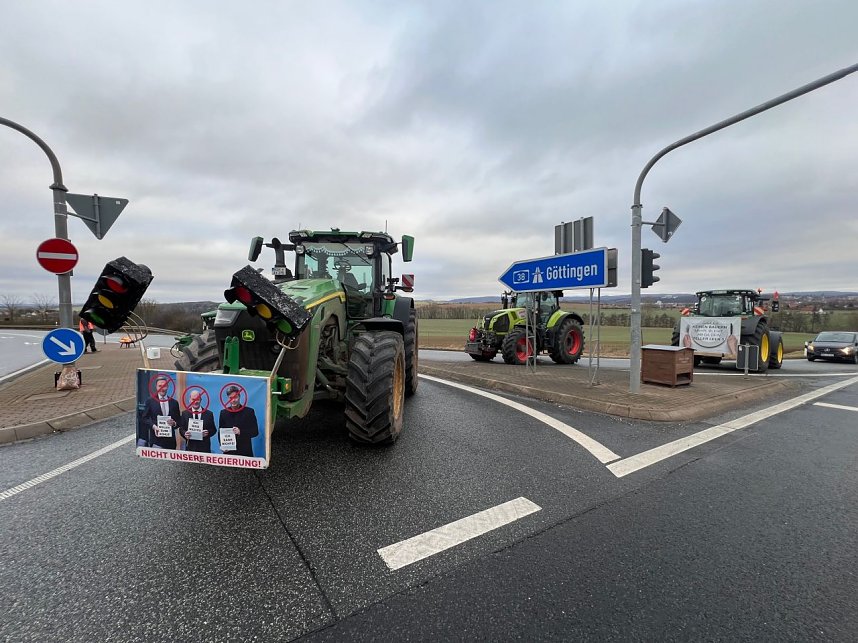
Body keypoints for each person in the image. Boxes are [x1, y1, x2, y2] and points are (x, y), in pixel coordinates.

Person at [140, 375, 182, 449]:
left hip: (171, 442)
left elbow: (179, 421)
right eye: (160, 386)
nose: (162, 388)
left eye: (164, 386)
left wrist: (174, 423)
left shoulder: (174, 402)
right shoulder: (150, 401)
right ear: (156, 387)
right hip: (156, 441)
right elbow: (144, 418)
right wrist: (154, 426)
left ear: (167, 386)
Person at [217, 385, 259, 457]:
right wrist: (222, 445)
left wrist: (240, 432)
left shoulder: (249, 412)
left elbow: (255, 432)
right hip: (229, 453)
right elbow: (220, 431)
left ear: (239, 397)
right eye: (231, 398)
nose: (233, 400)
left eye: (235, 397)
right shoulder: (223, 413)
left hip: (245, 452)